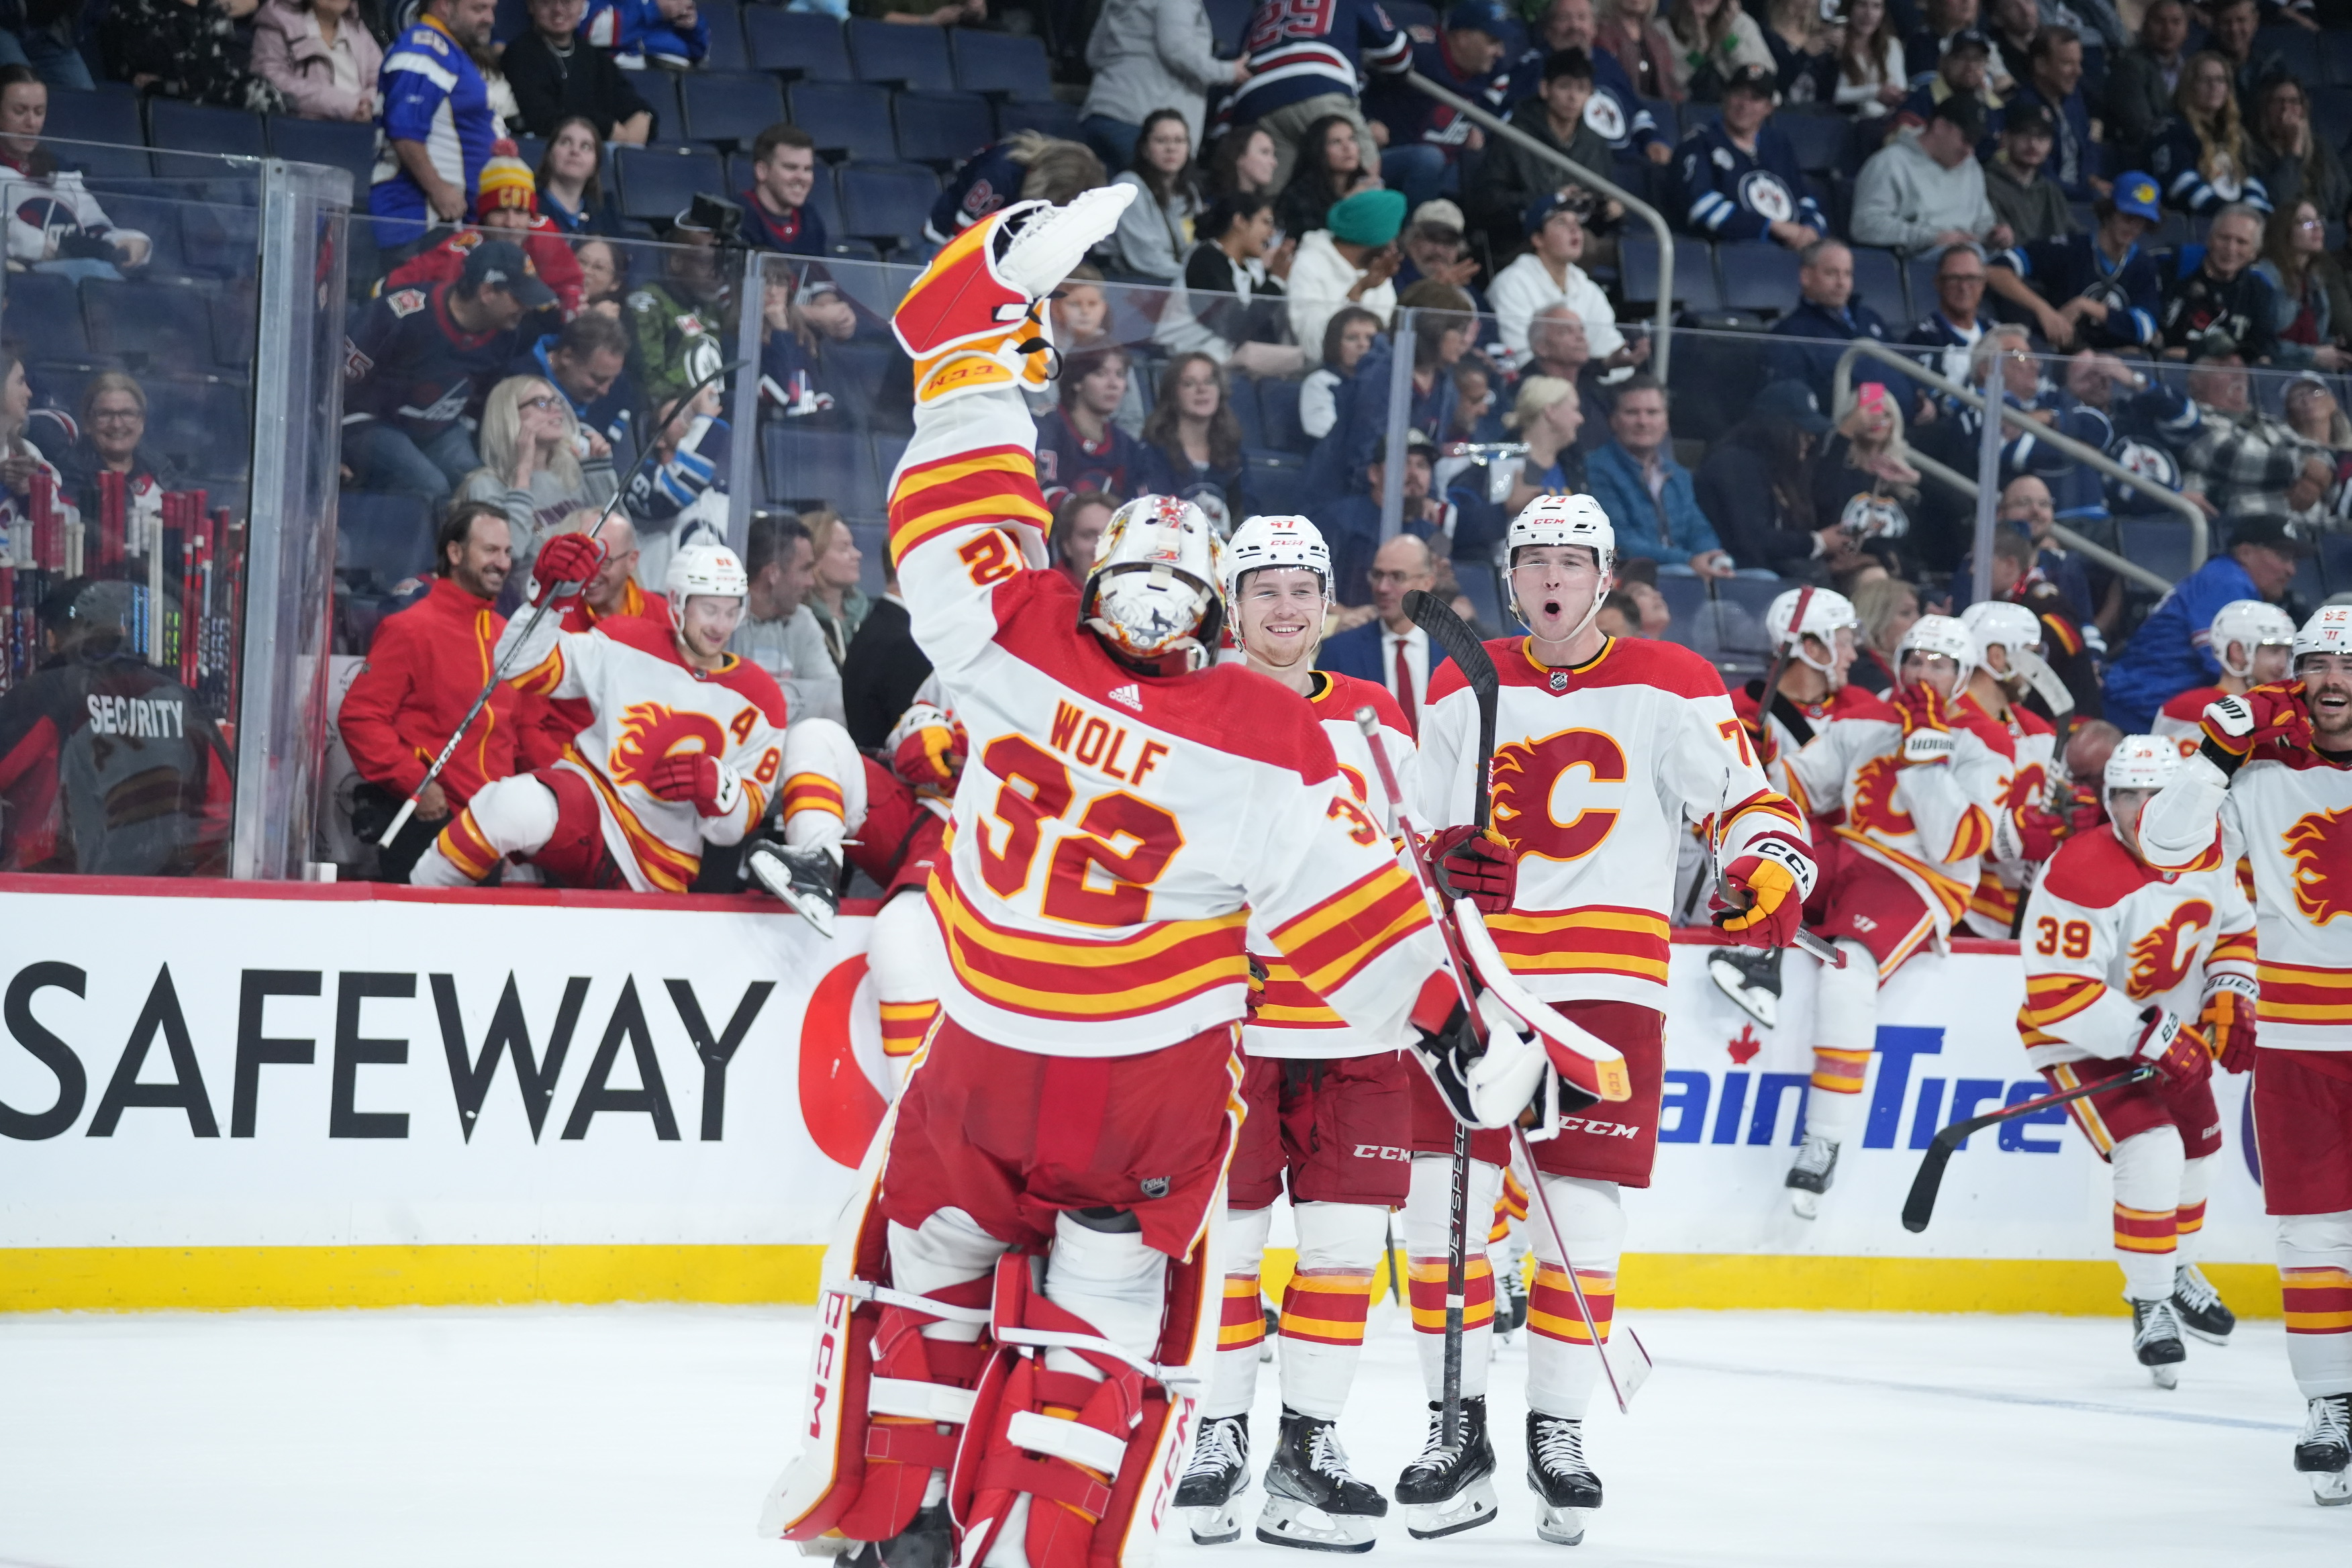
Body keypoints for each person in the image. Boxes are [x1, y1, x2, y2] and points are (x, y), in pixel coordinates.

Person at [763, 187, 1477, 1568]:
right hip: (1144, 1073)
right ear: (1216, 610)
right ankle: (1038, 1530)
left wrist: (978, 332)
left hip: (985, 1048)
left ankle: (905, 1515)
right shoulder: (1268, 728)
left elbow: (953, 498)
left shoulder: (1014, 631)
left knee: (933, 1271)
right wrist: (1449, 1015)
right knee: (1103, 1302)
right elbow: (1350, 910)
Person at [1398, 490, 1812, 1545]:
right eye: (1533, 561)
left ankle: (1557, 1430)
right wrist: (1441, 860)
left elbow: (1742, 797)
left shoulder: (1673, 681)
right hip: (1475, 977)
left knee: (1578, 1220)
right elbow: (1407, 828)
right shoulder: (1462, 677)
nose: (1550, 579)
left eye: (1570, 563)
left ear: (1604, 578)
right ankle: (1455, 1425)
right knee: (1443, 1205)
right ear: (1510, 577)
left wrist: (1766, 861)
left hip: (1605, 987)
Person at [1177, 513, 1420, 1549]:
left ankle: (1308, 1449)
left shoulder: (1376, 717)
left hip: (1362, 1022)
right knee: (1227, 1253)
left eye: (1303, 591)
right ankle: (1216, 1434)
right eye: (1264, 590)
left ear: (1330, 605)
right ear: (1231, 607)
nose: (1285, 609)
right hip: (1232, 1025)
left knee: (1341, 1253)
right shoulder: (1191, 710)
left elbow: (1412, 854)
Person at [2137, 603, 2352, 1504]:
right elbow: (2164, 845)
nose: (2334, 682)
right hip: (2301, 1036)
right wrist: (2214, 760)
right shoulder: (2258, 759)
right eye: (2318, 666)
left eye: (2349, 666)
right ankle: (2330, 1407)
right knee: (2311, 1230)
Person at [2015, 732, 2252, 1382]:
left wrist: (2233, 986)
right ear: (2106, 798)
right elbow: (2059, 993)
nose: (2140, 807)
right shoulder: (2077, 869)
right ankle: (2149, 1302)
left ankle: (2172, 1268)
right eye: (2126, 793)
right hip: (2079, 1036)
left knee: (2201, 1152)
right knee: (2153, 1149)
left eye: (2155, 793)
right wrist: (2152, 1034)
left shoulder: (2212, 847)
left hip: (2168, 1034)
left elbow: (2234, 926)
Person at [1765, 612, 2006, 1212]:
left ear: (1963, 674)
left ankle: (1823, 1141)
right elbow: (1795, 784)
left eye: (1940, 664)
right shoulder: (1865, 720)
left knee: (1846, 972)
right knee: (1753, 879)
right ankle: (1753, 966)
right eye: (1915, 661)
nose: (1923, 673)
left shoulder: (1985, 741)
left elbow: (1957, 842)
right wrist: (1735, 771)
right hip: (1848, 859)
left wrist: (1927, 757)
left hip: (1919, 878)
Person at [411, 536, 783, 892]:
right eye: (709, 609)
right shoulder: (626, 641)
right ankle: (415, 901)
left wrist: (719, 787)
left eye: (732, 611)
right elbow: (520, 668)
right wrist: (547, 599)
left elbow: (736, 825)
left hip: (660, 862)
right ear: (676, 602)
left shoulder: (762, 697)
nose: (721, 625)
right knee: (509, 805)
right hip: (589, 801)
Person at [0, 575, 234, 875]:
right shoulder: (181, 699)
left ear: (53, 638)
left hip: (54, 887)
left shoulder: (44, 695)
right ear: (123, 630)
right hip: (169, 892)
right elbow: (224, 811)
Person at [1709, 587, 1869, 1025]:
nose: (1852, 654)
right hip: (1785, 864)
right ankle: (1751, 956)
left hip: (1844, 869)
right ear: (1812, 647)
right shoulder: (1738, 709)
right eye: (1842, 639)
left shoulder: (1866, 711)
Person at [338, 502, 521, 881]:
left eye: (507, 552)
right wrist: (417, 784)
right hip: (429, 822)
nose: (502, 563)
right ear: (454, 553)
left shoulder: (508, 635)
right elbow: (361, 718)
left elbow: (520, 734)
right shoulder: (410, 628)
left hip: (491, 831)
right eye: (490, 550)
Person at [344, 239, 552, 501]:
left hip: (439, 427)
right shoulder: (402, 314)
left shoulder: (507, 333)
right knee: (431, 486)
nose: (528, 307)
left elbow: (483, 400)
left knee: (482, 489)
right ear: (487, 292)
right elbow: (335, 385)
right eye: (519, 298)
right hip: (370, 422)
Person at [2103, 514, 2312, 732]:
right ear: (2245, 552)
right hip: (2138, 708)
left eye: (2294, 560)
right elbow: (2223, 664)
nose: (2291, 570)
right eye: (2282, 556)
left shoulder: (2225, 578)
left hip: (2146, 704)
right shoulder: (2227, 581)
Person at [1950, 599, 2067, 936]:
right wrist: (2011, 835)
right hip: (1959, 906)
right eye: (2030, 653)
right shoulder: (1948, 726)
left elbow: (2048, 802)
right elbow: (1938, 822)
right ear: (1997, 657)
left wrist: (2072, 812)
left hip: (2020, 910)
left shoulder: (2036, 728)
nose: (2038, 667)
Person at [385, 148, 586, 317]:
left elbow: (570, 286)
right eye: (499, 211)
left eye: (520, 212)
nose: (510, 223)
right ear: (483, 219)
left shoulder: (543, 233)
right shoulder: (463, 248)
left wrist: (569, 310)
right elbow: (397, 283)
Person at [1228, 0, 1408, 188]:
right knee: (1363, 173)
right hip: (1318, 87)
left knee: (1269, 196)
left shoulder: (1262, 9)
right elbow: (1397, 56)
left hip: (1254, 100)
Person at [454, 374, 618, 572]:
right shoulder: (486, 485)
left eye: (556, 401)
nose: (555, 409)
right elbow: (510, 553)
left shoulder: (573, 472)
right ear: (510, 416)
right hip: (534, 596)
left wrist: (600, 470)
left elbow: (620, 539)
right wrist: (523, 472)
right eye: (541, 403)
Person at [1363, 0, 1516, 211]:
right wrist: (1366, 121)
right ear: (1463, 38)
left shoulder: (1492, 68)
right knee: (1429, 159)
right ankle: (1413, 236)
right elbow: (1359, 75)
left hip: (1450, 167)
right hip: (1389, 160)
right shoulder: (1416, 49)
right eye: (1493, 41)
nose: (1500, 52)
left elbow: (1498, 95)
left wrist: (1482, 128)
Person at [371, 0, 500, 250]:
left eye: (492, 9)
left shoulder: (449, 51)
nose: (489, 19)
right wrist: (439, 189)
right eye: (478, 9)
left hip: (447, 224)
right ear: (444, 6)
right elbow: (403, 129)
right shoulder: (426, 47)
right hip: (420, 222)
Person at [1988, 172, 2163, 352]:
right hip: (2060, 358)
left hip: (2115, 361)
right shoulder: (2069, 249)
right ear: (2110, 211)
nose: (2133, 227)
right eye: (2128, 217)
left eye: (2142, 222)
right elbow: (1996, 270)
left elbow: (2146, 326)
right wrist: (2043, 310)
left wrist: (2084, 306)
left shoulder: (2144, 265)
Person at [1467, 48, 1615, 260]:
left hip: (1574, 235)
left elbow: (1601, 203)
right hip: (1519, 238)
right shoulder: (1515, 135)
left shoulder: (1595, 143)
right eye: (1564, 87)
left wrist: (1611, 211)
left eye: (1582, 89)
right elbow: (1487, 202)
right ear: (1545, 89)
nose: (1573, 97)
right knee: (1585, 245)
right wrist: (1551, 200)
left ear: (1590, 95)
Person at [0, 67, 147, 279]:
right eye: (20, 111)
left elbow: (94, 226)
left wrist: (126, 241)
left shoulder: (60, 169)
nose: (32, 123)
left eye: (39, 112)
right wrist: (44, 246)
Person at [1584, 376, 1734, 577]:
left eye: (1652, 413)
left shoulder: (1678, 475)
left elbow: (1699, 529)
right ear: (1614, 421)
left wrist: (1712, 557)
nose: (1643, 422)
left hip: (1684, 570)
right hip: (1628, 575)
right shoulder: (1596, 468)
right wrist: (1688, 560)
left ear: (1666, 422)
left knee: (1762, 578)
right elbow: (1619, 539)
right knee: (1682, 573)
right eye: (1632, 413)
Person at [1694, 380, 1843, 580]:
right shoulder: (1734, 464)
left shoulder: (1779, 469)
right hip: (1736, 577)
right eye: (1802, 430)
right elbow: (1752, 541)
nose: (1811, 438)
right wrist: (1818, 543)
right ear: (1776, 428)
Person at [1673, 62, 1826, 248]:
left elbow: (1804, 199)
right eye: (1738, 94)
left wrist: (1810, 229)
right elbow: (1700, 206)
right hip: (1732, 253)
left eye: (1755, 99)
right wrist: (1772, 226)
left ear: (1769, 108)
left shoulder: (1778, 145)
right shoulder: (1700, 143)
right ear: (1725, 97)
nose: (1744, 105)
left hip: (1790, 251)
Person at [1080, 0, 1242, 167]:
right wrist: (1230, 72)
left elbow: (1093, 54)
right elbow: (1177, 50)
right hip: (1143, 121)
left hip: (1100, 113)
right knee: (1152, 191)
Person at [1316, 532, 1452, 730]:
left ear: (1427, 582)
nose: (1382, 588)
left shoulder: (1458, 653)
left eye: (1397, 577)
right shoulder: (1340, 652)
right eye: (1378, 575)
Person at [2176, 350, 2331, 522]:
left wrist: (2315, 482)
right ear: (2196, 384)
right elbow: (2234, 457)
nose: (2238, 373)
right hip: (2252, 535)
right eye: (2225, 368)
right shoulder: (2194, 422)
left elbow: (2322, 457)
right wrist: (2306, 466)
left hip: (2313, 530)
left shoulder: (2270, 422)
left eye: (2241, 366)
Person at [1156, 191, 1301, 375]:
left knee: (1299, 360)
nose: (1271, 233)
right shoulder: (1206, 259)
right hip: (1180, 360)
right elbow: (1235, 326)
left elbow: (1258, 326)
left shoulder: (1246, 269)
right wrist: (1277, 279)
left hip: (1220, 360)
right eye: (1265, 222)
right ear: (1240, 221)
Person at [1489, 193, 1635, 368]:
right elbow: (1520, 357)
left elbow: (1608, 345)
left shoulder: (1588, 289)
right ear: (1538, 239)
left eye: (1577, 223)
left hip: (1586, 386)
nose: (1574, 230)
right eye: (1561, 222)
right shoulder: (1511, 284)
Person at [1851, 95, 2010, 254]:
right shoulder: (1890, 162)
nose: (1969, 150)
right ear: (1940, 126)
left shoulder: (1971, 166)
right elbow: (1865, 225)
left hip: (1971, 255)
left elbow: (1982, 221)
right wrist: (1932, 238)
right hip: (1921, 261)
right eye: (1966, 139)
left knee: (2012, 261)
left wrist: (1992, 234)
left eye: (1975, 142)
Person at [726, 510, 842, 726]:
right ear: (773, 574)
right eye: (805, 570)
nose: (811, 582)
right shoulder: (726, 622)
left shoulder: (803, 621)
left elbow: (830, 700)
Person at [1762, 240, 1893, 413]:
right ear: (1806, 277)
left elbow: (1902, 362)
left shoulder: (1869, 318)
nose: (1842, 283)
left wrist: (1919, 396)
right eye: (1832, 273)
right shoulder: (1790, 333)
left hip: (1899, 427)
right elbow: (1795, 406)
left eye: (1847, 274)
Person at [2150, 597, 2294, 754]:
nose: (2283, 664)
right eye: (2273, 651)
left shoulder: (2282, 716)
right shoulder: (2195, 709)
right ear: (2237, 651)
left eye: (2287, 653)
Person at [501, 0, 652, 142]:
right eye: (547, 1)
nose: (558, 9)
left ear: (582, 5)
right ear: (531, 6)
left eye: (567, 1)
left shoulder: (593, 56)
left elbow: (632, 103)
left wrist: (642, 117)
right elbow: (542, 119)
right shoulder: (519, 54)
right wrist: (606, 128)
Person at [1289, 187, 1406, 366]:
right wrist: (1357, 293)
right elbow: (1312, 346)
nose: (1393, 248)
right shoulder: (1309, 265)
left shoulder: (1377, 272)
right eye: (1390, 239)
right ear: (1371, 239)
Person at [2146, 52, 2270, 219]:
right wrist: (2232, 216)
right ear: (2190, 85)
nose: (2214, 86)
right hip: (2196, 223)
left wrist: (2259, 217)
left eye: (2220, 80)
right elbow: (2179, 185)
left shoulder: (2234, 132)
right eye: (2205, 80)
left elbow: (2251, 181)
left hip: (2234, 223)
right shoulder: (2171, 128)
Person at [99, 0, 284, 111]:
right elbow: (170, 66)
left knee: (262, 92)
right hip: (169, 101)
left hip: (214, 96)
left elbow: (232, 62)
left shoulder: (210, 9)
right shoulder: (136, 7)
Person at [927, 133, 1106, 246]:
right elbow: (963, 236)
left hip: (997, 247)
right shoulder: (1000, 173)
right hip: (944, 241)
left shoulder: (1042, 164)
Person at [515, 309, 635, 473]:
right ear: (567, 357)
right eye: (597, 379)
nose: (605, 391)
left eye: (612, 380)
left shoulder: (619, 390)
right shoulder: (518, 381)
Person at [2159, 203, 2279, 362]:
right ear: (2209, 239)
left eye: (2241, 242)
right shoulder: (2174, 266)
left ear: (2254, 253)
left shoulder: (2259, 288)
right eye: (2224, 238)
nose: (2231, 248)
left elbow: (2265, 350)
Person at [1139, 353, 1245, 532]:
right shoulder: (1151, 453)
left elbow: (1247, 514)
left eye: (1209, 382)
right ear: (1172, 394)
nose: (1201, 389)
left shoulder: (1234, 452)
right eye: (1189, 384)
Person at [1035, 347, 1151, 508]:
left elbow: (1139, 509)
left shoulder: (1127, 446)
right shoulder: (1046, 427)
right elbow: (1041, 495)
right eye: (1101, 374)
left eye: (1120, 375)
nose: (1113, 384)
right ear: (1077, 381)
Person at [51, 371, 177, 518]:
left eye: (127, 414)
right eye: (105, 414)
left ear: (142, 422)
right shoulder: (68, 476)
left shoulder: (161, 468)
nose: (117, 424)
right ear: (87, 423)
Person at [2254, 201, 2352, 375]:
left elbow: (2314, 338)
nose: (2317, 228)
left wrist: (2335, 347)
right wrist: (2313, 355)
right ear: (2284, 231)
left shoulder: (2314, 279)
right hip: (2274, 374)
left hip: (2310, 373)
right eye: (2306, 222)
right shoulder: (2264, 276)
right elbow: (2263, 345)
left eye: (2319, 221)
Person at [2004, 26, 2098, 202]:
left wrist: (2092, 181)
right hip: (2045, 202)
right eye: (2067, 63)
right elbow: (2040, 175)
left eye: (2079, 63)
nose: (2078, 72)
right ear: (2041, 65)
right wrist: (2088, 195)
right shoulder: (2024, 107)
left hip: (2079, 198)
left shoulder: (2074, 97)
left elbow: (2087, 146)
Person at [1108, 109, 1202, 283]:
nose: (1171, 148)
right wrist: (1192, 279)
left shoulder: (1189, 191)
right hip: (1132, 283)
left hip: (1175, 281)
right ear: (1144, 149)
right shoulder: (1128, 187)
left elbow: (1193, 248)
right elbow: (1145, 257)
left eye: (1179, 141)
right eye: (1161, 141)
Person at [250, 0, 381, 123]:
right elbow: (270, 81)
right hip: (305, 131)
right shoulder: (276, 21)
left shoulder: (358, 28)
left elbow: (384, 79)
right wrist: (347, 105)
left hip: (362, 131)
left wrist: (368, 103)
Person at [2249, 77, 2347, 236]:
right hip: (2284, 235)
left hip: (2326, 231)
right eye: (2278, 101)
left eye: (2294, 101)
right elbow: (2279, 201)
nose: (2286, 108)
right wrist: (2293, 149)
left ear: (2303, 109)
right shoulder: (2253, 151)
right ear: (2266, 109)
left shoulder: (2320, 148)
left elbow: (2343, 198)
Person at [2100, 0, 2187, 166]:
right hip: (2142, 161)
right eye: (2159, 22)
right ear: (2145, 26)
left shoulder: (2190, 67)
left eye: (2176, 22)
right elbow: (2140, 129)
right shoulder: (2128, 68)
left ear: (2186, 28)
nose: (2168, 30)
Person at [1903, 242, 1997, 387]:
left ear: (1983, 284)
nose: (1964, 287)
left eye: (1971, 278)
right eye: (1954, 278)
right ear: (1938, 283)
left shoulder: (1997, 332)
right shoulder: (1922, 340)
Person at [1982, 101, 2074, 247]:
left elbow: (2075, 235)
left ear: (2050, 145)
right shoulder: (1987, 184)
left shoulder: (2050, 189)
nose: (2033, 144)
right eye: (2024, 134)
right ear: (2005, 138)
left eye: (2042, 137)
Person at [1501, 372, 1595, 512]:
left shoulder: (1574, 465)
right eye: (1575, 409)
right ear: (1551, 411)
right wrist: (1504, 510)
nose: (1580, 419)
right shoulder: (1502, 466)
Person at [1274, 113, 1373, 242]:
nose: (1347, 148)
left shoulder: (1364, 185)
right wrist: (1346, 204)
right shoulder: (1298, 195)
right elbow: (1311, 241)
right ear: (1318, 150)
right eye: (1336, 142)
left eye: (1352, 139)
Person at [1890, 25, 2000, 138]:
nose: (1970, 66)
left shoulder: (1993, 105)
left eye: (1977, 59)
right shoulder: (1920, 100)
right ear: (1942, 61)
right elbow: (1900, 141)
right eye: (1961, 57)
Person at [737, 124, 828, 257]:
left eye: (807, 169)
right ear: (762, 171)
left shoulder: (810, 217)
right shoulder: (738, 216)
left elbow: (819, 276)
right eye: (791, 168)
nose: (801, 178)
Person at [1300, 305, 1381, 441]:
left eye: (1370, 339)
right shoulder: (1320, 382)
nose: (1363, 344)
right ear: (1335, 344)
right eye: (1352, 338)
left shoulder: (1386, 383)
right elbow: (1324, 431)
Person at [1663, 0, 1771, 101]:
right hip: (1687, 108)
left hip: (1736, 107)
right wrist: (1699, 52)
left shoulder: (1741, 24)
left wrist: (1729, 39)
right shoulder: (1664, 29)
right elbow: (1668, 84)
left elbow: (1763, 75)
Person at [533, 117, 622, 236]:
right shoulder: (529, 205)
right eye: (566, 142)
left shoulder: (605, 214)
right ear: (549, 155)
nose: (575, 151)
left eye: (585, 147)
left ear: (595, 166)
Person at [803, 508, 867, 669]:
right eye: (843, 548)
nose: (857, 554)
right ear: (814, 556)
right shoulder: (799, 621)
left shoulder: (869, 616)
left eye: (853, 545)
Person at [1830, 0, 1904, 120]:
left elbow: (1900, 88)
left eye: (1876, 6)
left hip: (1884, 123)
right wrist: (1875, 93)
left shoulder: (1891, 45)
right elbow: (1832, 95)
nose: (1869, 14)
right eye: (1862, 5)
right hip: (1845, 122)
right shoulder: (1834, 46)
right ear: (1849, 8)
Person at [1596, 0, 1681, 103]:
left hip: (1659, 111)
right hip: (1620, 106)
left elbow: (1670, 84)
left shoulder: (1657, 38)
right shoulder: (1601, 33)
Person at [579, 0, 705, 70]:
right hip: (630, 73)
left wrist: (693, 27)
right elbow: (593, 31)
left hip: (682, 75)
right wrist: (656, 10)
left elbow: (700, 52)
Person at [1847, 573, 1917, 693]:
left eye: (1918, 612)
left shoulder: (1906, 664)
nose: (1918, 620)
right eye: (1906, 613)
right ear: (1878, 619)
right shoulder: (1860, 667)